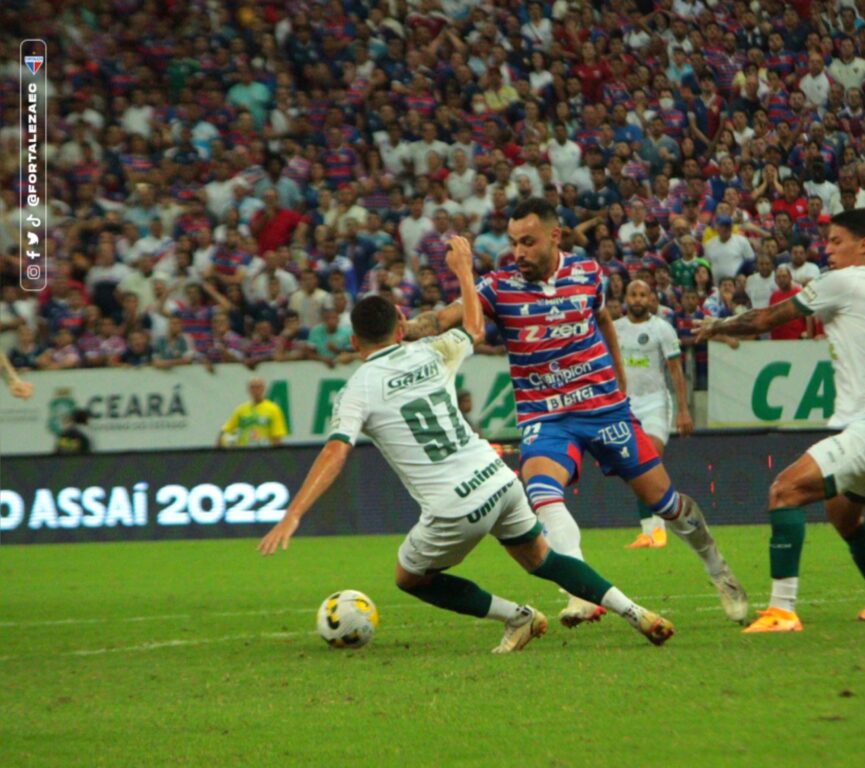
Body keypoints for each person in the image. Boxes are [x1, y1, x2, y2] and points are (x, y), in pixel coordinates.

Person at [258, 238, 674, 653]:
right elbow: (475, 328)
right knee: (542, 560)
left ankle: (518, 617)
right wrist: (463, 270)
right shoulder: (429, 351)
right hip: (499, 479)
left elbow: (335, 451)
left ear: (354, 343)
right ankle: (635, 611)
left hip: (453, 504)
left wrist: (294, 515)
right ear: (401, 327)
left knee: (409, 577)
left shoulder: (356, 390)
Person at [404, 198, 747, 628]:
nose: (519, 253)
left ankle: (718, 568)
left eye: (528, 242)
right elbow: (444, 318)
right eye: (513, 243)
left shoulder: (588, 273)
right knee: (543, 494)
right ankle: (579, 593)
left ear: (555, 236)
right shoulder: (499, 286)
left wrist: (618, 376)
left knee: (666, 503)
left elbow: (602, 318)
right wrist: (406, 329)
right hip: (545, 418)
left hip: (604, 409)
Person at [698, 209, 865, 632]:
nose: (829, 249)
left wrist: (717, 326)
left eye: (837, 241)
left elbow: (767, 318)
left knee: (785, 490)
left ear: (864, 245)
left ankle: (782, 610)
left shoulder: (843, 282)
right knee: (845, 517)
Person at [615, 279, 694, 549]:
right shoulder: (615, 329)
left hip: (655, 401)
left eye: (643, 294)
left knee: (649, 458)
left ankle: (659, 528)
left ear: (651, 298)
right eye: (633, 294)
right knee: (635, 467)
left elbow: (675, 371)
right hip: (626, 403)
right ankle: (647, 532)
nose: (637, 299)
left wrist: (684, 410)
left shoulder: (662, 329)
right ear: (626, 298)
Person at [218, 377, 288, 447]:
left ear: (264, 389)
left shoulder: (273, 409)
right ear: (248, 390)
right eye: (253, 387)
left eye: (258, 387)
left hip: (265, 452)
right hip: (245, 453)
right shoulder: (241, 410)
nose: (256, 390)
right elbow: (225, 430)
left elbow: (277, 435)